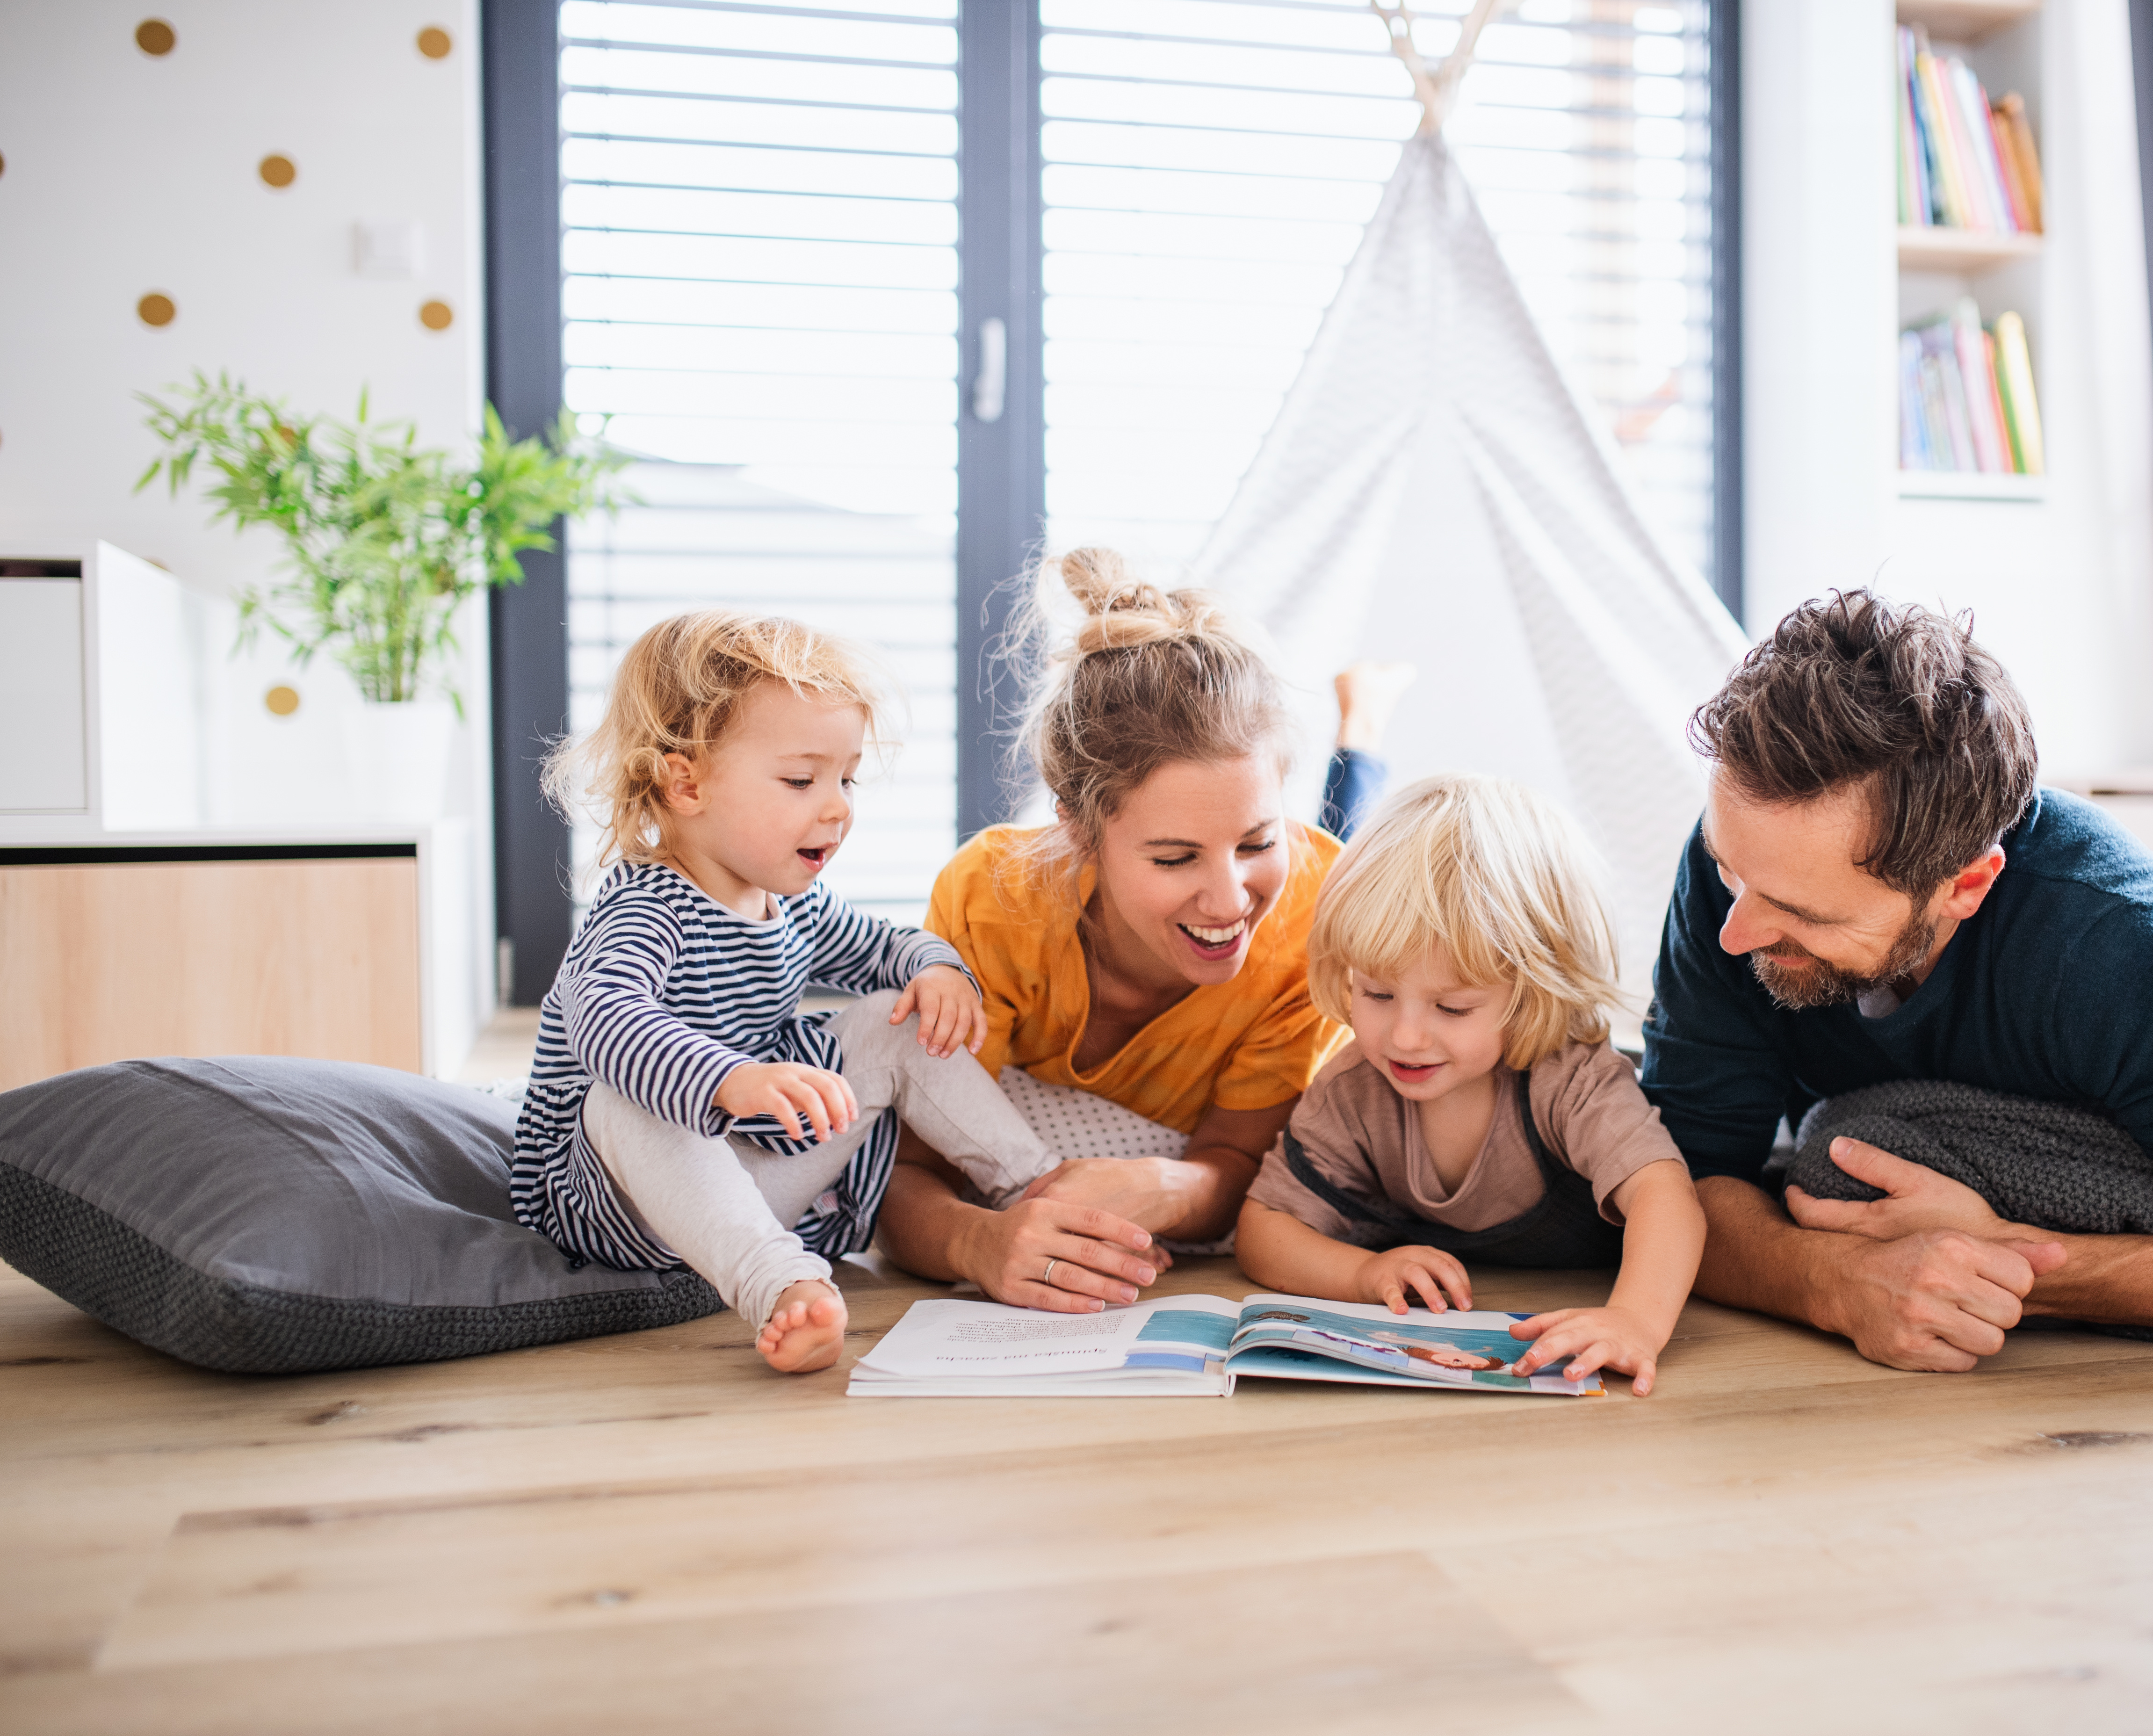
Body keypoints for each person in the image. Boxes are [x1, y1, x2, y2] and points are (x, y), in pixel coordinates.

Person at [1640, 590, 2153, 1372]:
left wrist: (2011, 1266)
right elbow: (1679, 1181)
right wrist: (1830, 1284)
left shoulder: (2127, 957)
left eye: (1799, 912)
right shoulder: (1748, 867)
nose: (1733, 932)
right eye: (1727, 868)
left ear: (1966, 885)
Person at [513, 612, 1053, 1374]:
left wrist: (937, 970)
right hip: (621, 1203)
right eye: (802, 780)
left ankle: (1037, 1185)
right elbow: (602, 1021)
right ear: (686, 782)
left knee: (890, 1018)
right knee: (620, 1095)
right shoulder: (646, 911)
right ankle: (782, 1283)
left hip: (751, 1176)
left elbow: (885, 946)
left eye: (846, 777)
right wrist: (729, 1080)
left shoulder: (789, 904)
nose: (837, 807)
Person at [874, 550, 1368, 1311]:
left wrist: (1167, 1184)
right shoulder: (993, 898)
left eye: (1258, 843)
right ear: (1077, 828)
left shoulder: (1311, 916)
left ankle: (1365, 726)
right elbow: (905, 1173)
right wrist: (977, 1243)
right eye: (1175, 858)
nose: (1230, 898)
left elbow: (1242, 1160)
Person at [1236, 774, 1705, 1396]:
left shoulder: (1570, 1079)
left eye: (1451, 1008)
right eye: (1377, 993)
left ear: (1532, 994)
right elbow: (1263, 1228)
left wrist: (1634, 1320)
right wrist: (1363, 1273)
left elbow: (1668, 1197)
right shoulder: (1353, 1087)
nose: (1404, 1037)